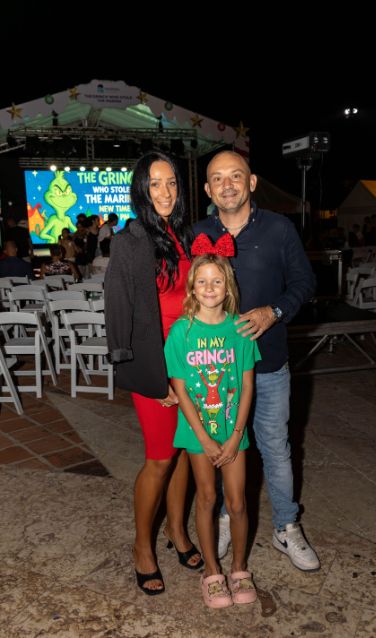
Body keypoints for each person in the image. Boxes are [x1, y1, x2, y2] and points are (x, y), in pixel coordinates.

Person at [193, 150, 320, 572]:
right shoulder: (197, 234)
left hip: (268, 364)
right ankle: (227, 517)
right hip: (215, 371)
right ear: (208, 189)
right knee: (224, 451)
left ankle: (286, 526)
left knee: (276, 448)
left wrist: (274, 311)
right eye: (217, 178)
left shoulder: (280, 228)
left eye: (236, 176)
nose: (227, 184)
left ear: (251, 182)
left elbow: (304, 282)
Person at [104, 151, 203, 596]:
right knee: (160, 458)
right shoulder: (129, 241)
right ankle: (142, 546)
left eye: (171, 183)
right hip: (155, 365)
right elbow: (117, 311)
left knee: (181, 453)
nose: (165, 192)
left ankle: (177, 531)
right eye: (155, 184)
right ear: (141, 190)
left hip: (189, 363)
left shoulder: (185, 236)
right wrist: (152, 377)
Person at [164, 235, 260, 608]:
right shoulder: (182, 332)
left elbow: (247, 386)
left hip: (234, 432)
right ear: (192, 287)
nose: (209, 288)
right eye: (202, 281)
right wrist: (204, 438)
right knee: (206, 497)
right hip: (197, 434)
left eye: (216, 281)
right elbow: (181, 389)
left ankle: (239, 568)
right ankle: (211, 571)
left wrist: (236, 436)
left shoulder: (240, 329)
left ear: (228, 286)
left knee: (237, 502)